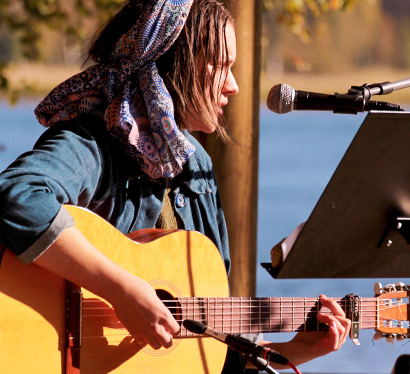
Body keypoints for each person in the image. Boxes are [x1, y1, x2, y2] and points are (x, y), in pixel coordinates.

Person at [0, 0, 351, 372]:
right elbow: (18, 197)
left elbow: (204, 345)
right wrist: (121, 290)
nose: (232, 86)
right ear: (171, 62)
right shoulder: (96, 143)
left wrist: (289, 352)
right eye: (220, 65)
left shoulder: (196, 168)